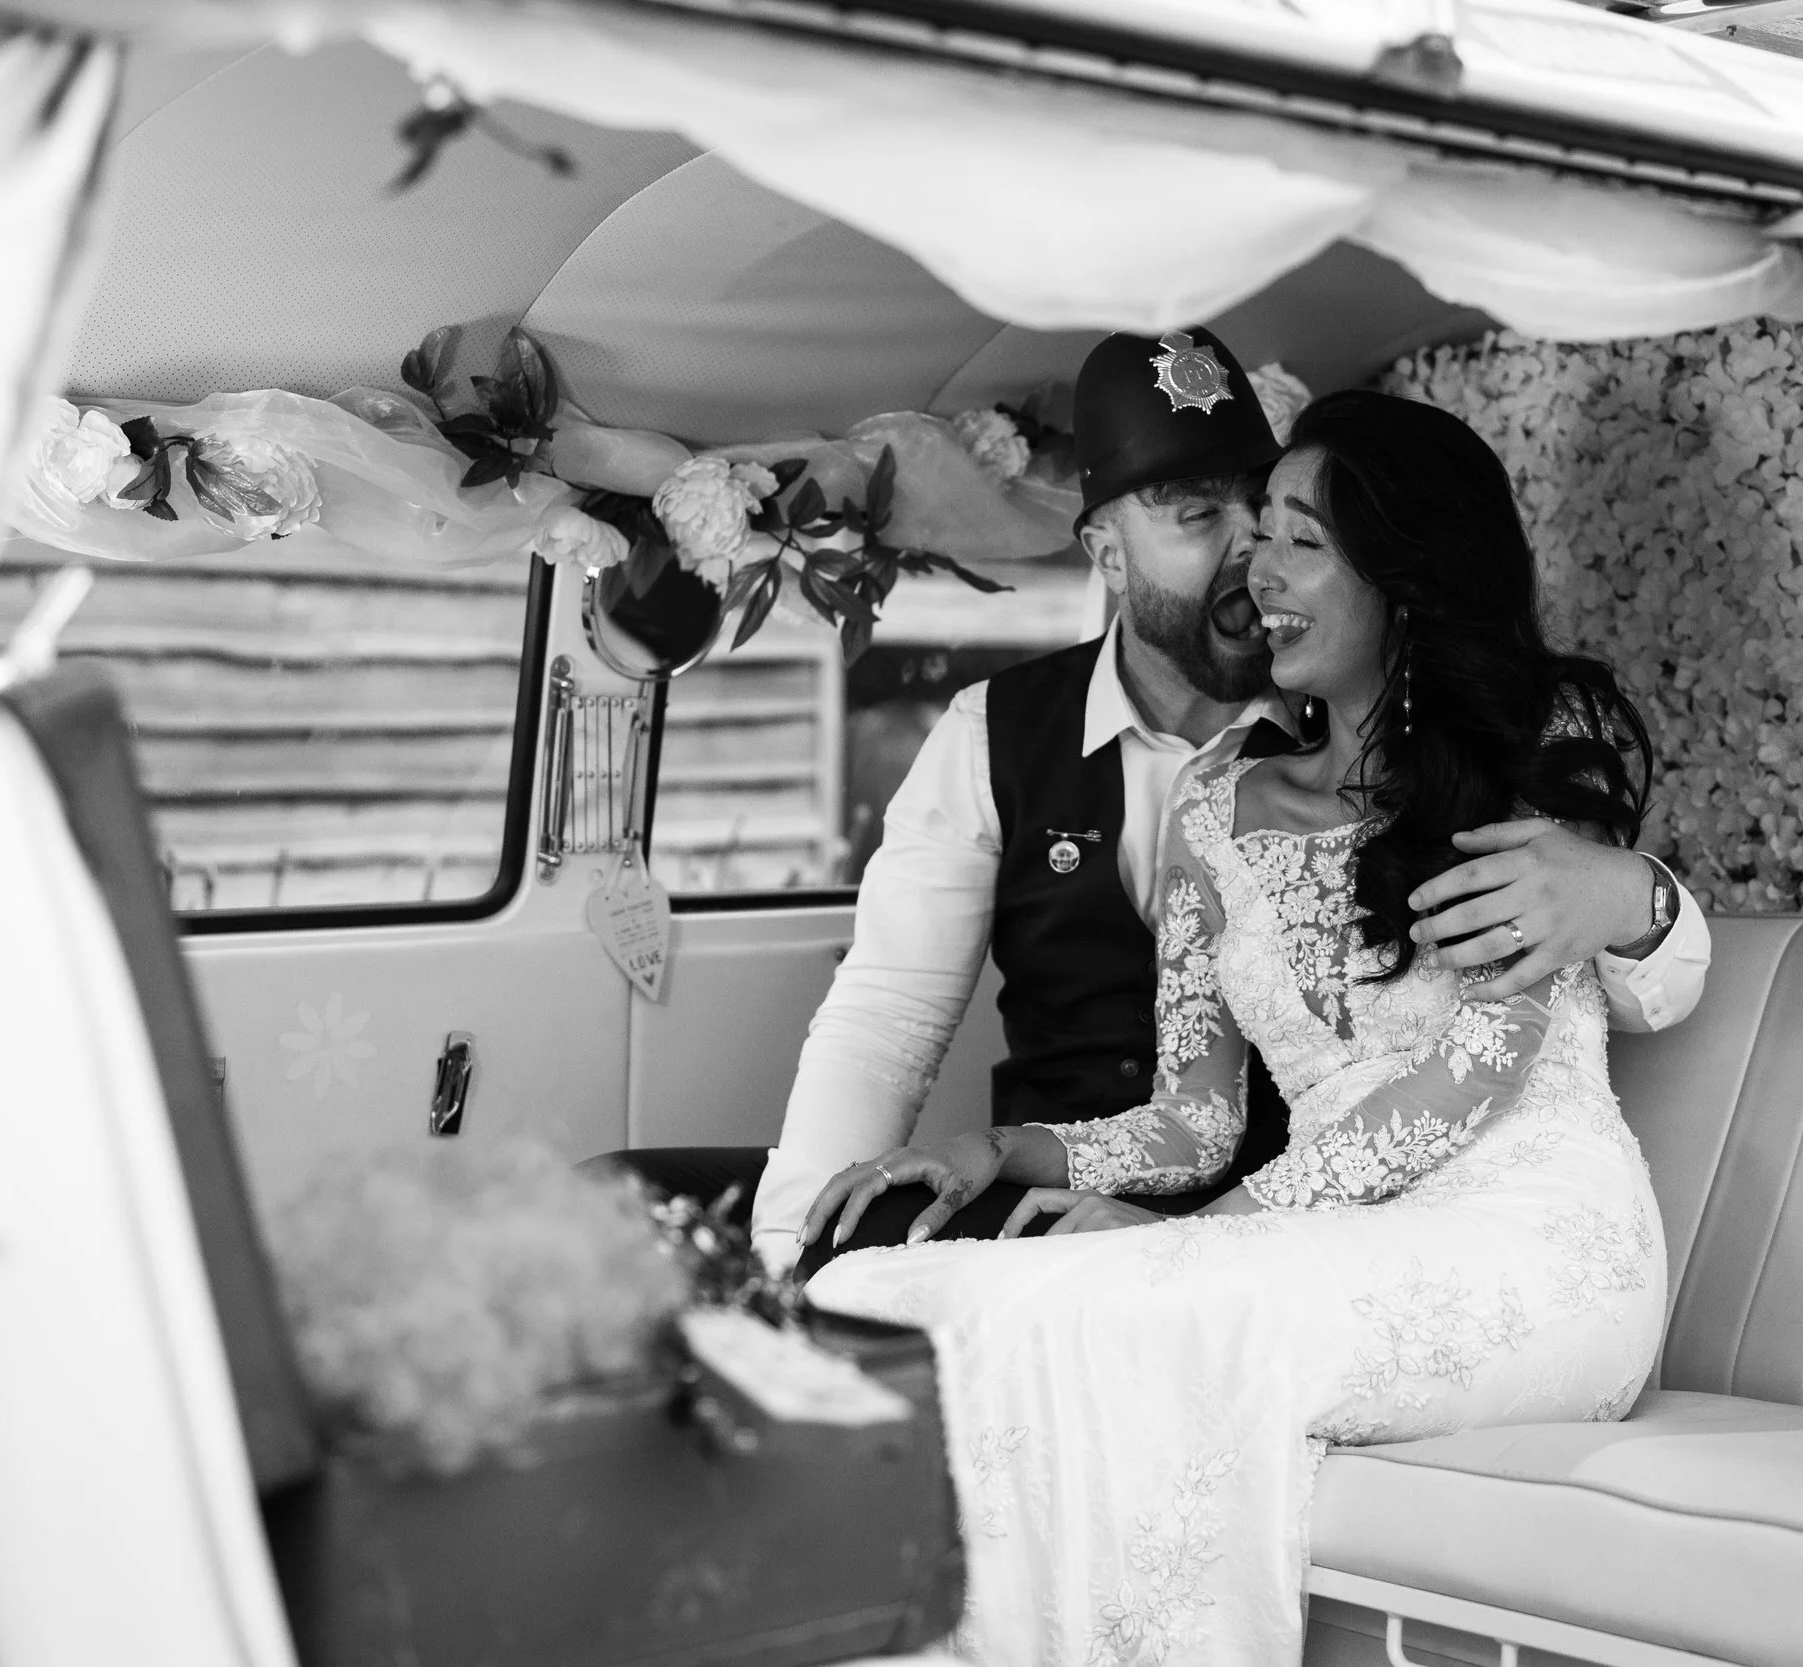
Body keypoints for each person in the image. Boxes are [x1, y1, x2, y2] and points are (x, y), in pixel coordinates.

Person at [804, 391, 1671, 1666]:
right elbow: (1194, 1113)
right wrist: (1010, 1152)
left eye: (1296, 539)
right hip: (1317, 1236)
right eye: (1252, 532)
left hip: (1534, 1241)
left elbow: (1473, 1073)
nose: (1252, 572)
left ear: (1405, 575)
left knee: (1143, 1308)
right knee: (885, 1291)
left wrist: (1204, 1238)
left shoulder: (1533, 741)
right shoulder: (1217, 801)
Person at [604, 327, 1707, 1274]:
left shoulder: (1401, 725)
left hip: (1297, 1212)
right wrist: (795, 1239)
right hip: (1091, 1175)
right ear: (1105, 550)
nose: (1248, 556)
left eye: (1266, 516)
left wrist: (1635, 893)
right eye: (1197, 516)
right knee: (642, 1206)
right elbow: (888, 1015)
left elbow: (1588, 986)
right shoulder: (996, 736)